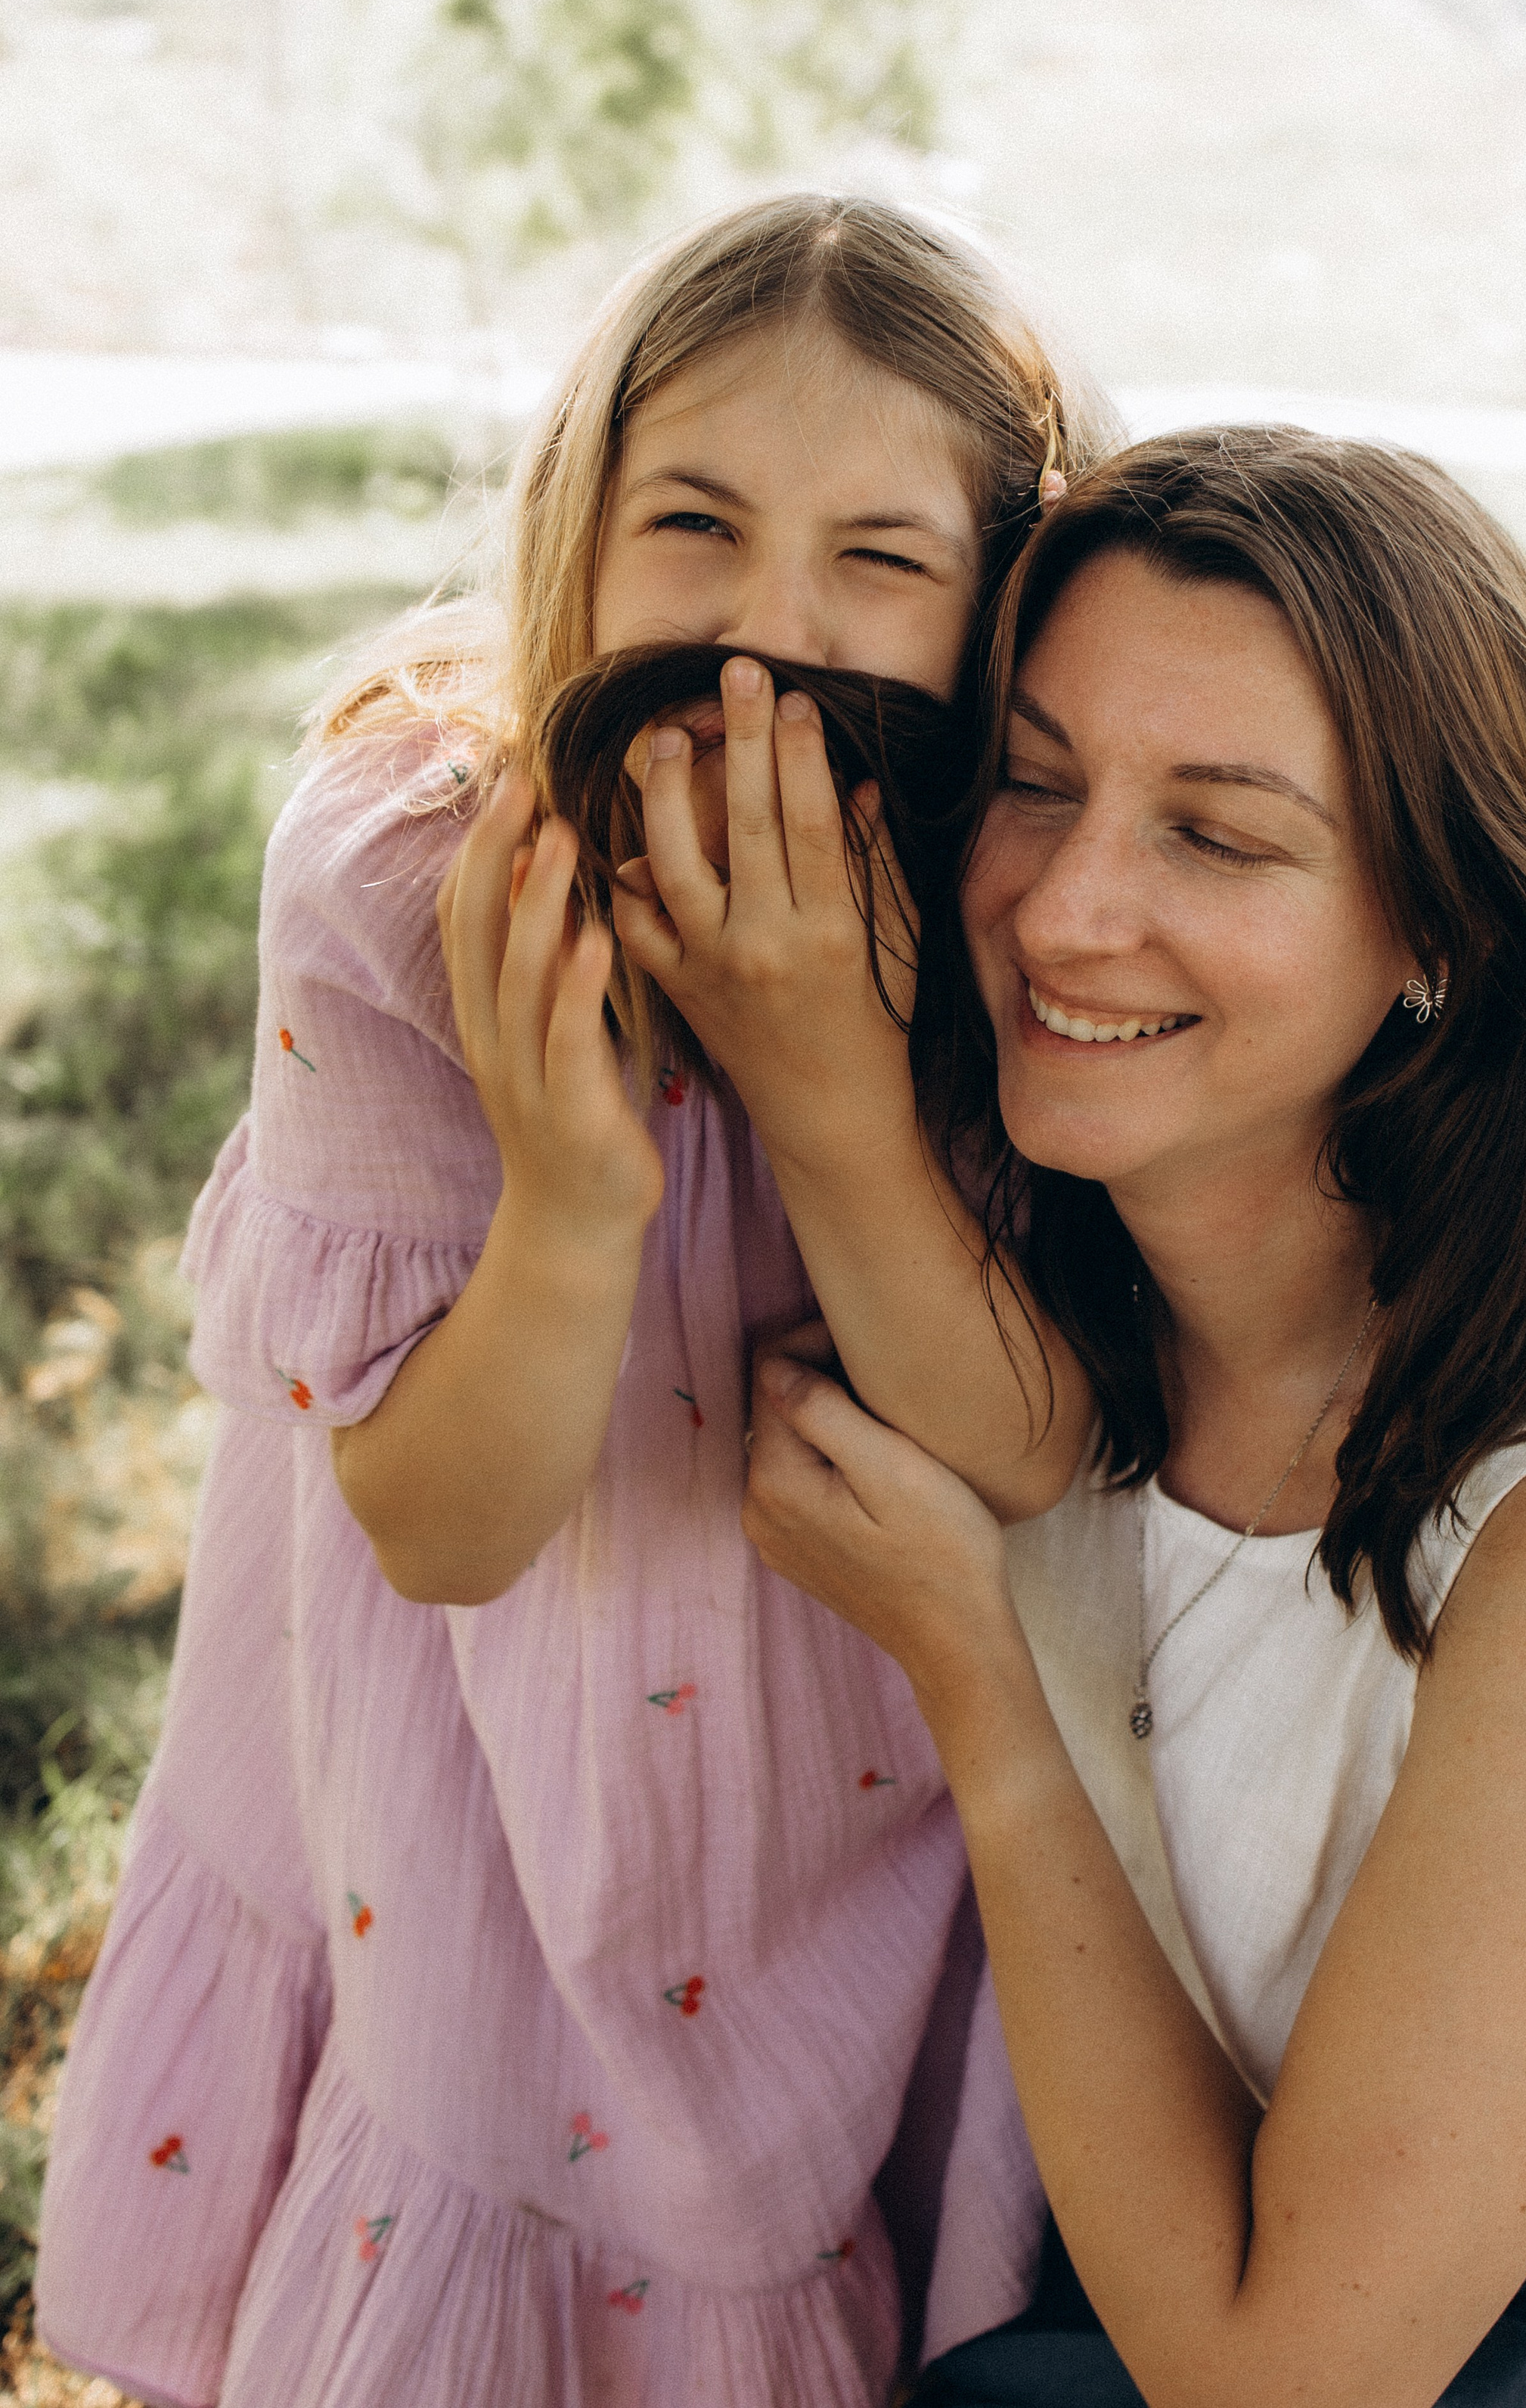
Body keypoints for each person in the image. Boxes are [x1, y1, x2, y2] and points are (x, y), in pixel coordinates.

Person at [36, 194, 1116, 2408]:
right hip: (483, 1834)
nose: (766, 639)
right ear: (577, 524)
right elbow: (438, 1533)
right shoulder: (405, 876)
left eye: (881, 561)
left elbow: (1018, 1448)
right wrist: (572, 1202)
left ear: (1005, 605)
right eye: (695, 526)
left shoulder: (1022, 899)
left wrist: (834, 1090)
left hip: (854, 1810)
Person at [741, 427, 1526, 2408]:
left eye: (1218, 836)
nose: (1064, 910)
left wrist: (977, 1679)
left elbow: (1285, 2382)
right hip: (1178, 2204)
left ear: (1439, 932)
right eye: (1036, 779)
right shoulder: (1006, 1253)